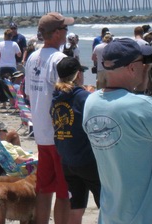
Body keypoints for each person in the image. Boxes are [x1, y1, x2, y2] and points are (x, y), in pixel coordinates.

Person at [83, 38, 152, 223]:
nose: (146, 66)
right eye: (143, 63)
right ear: (132, 67)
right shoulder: (143, 108)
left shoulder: (91, 102)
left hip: (110, 214)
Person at [24, 12, 74, 224]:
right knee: (65, 193)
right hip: (59, 134)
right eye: (65, 29)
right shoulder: (60, 59)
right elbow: (69, 95)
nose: (67, 33)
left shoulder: (33, 57)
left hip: (41, 132)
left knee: (44, 188)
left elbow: (28, 93)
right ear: (55, 33)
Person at [51, 57, 100, 224]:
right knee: (107, 205)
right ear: (79, 74)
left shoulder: (56, 97)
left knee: (76, 207)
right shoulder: (84, 97)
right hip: (87, 159)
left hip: (67, 160)